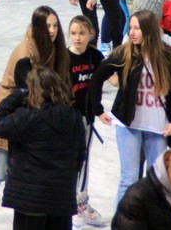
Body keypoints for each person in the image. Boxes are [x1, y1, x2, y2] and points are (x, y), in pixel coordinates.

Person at [0, 6, 69, 230]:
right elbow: (29, 91)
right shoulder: (25, 53)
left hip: (27, 118)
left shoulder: (51, 48)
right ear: (37, 27)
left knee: (16, 172)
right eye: (48, 26)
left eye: (55, 25)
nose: (53, 30)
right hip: (10, 115)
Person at [88, 9, 171, 206]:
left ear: (149, 30)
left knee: (158, 181)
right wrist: (97, 109)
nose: (131, 32)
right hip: (128, 124)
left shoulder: (166, 54)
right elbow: (98, 77)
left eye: (137, 28)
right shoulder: (124, 52)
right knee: (129, 178)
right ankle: (122, 223)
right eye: (130, 27)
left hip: (158, 127)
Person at [0, 66, 86, 230]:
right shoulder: (75, 117)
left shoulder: (28, 117)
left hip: (30, 201)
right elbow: (79, 157)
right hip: (61, 200)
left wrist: (17, 94)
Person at [66, 16, 106, 227]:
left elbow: (112, 78)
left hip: (87, 118)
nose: (77, 38)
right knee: (67, 160)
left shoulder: (95, 56)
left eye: (82, 33)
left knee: (83, 160)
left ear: (91, 34)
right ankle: (66, 203)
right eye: (73, 33)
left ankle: (80, 203)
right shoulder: (63, 57)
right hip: (66, 119)